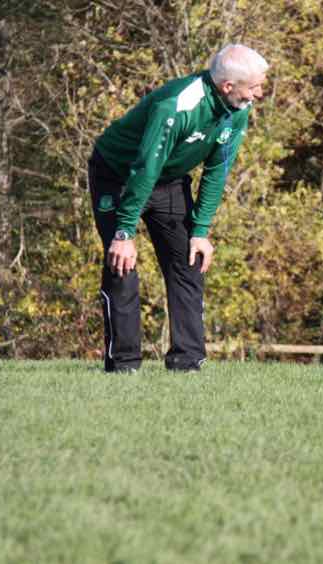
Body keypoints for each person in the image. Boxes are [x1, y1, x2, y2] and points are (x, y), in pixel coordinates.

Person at [88, 44, 269, 373]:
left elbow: (217, 171)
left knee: (189, 261)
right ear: (227, 85)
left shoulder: (238, 108)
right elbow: (145, 168)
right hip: (118, 176)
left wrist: (200, 231)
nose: (259, 93)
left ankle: (187, 364)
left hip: (169, 181)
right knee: (122, 264)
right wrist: (124, 232)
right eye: (255, 86)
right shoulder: (176, 106)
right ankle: (124, 366)